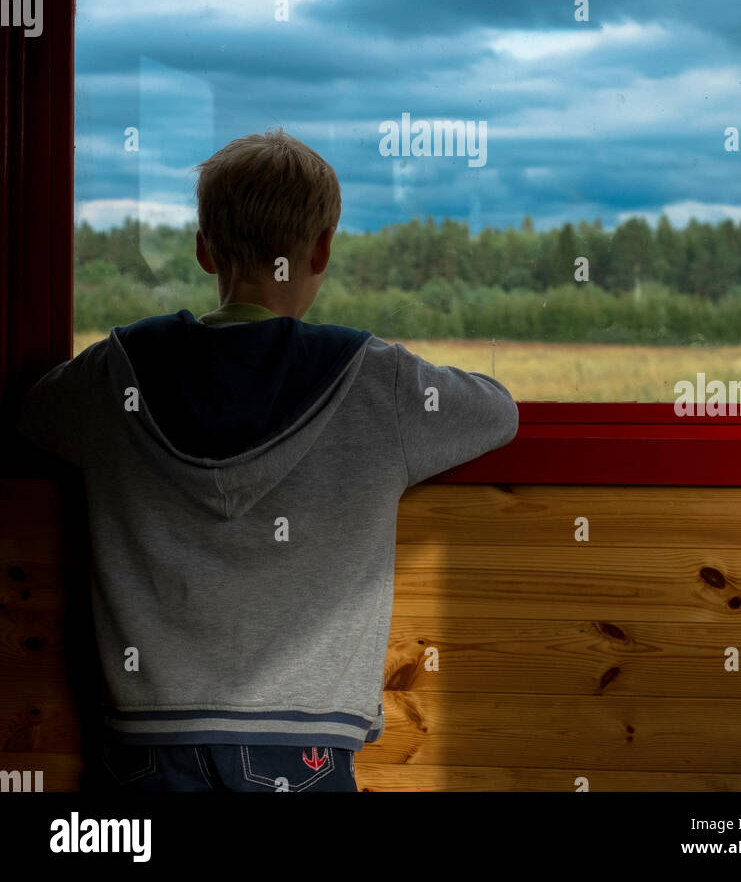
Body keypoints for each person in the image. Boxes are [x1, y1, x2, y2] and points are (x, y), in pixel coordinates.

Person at [17, 128, 519, 792]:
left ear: (203, 249)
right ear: (321, 249)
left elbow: (32, 416)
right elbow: (499, 411)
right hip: (303, 745)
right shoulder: (375, 382)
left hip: (146, 738)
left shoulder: (116, 375)